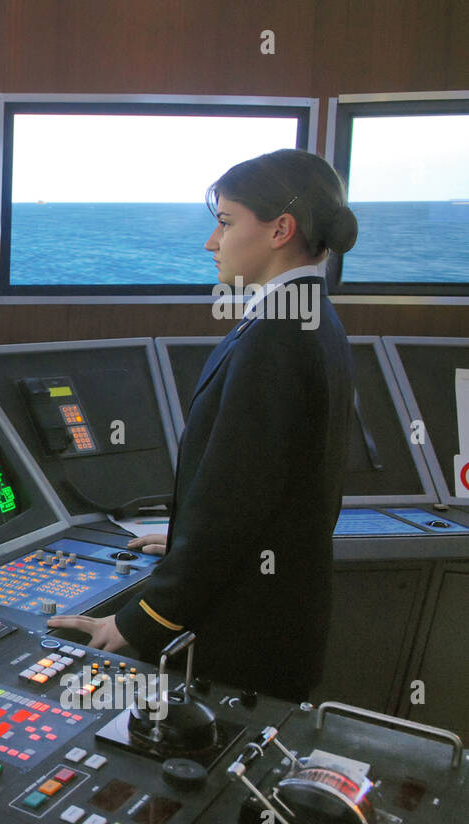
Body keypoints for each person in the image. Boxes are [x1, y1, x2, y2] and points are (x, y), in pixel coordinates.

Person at [47, 149, 358, 703]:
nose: (211, 243)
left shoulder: (276, 336)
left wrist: (138, 623)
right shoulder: (310, 314)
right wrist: (188, 535)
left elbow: (233, 504)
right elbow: (264, 487)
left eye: (225, 223)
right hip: (280, 615)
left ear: (280, 229)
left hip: (244, 640)